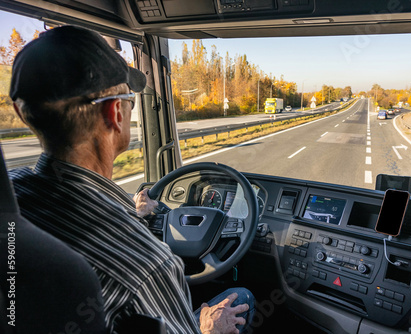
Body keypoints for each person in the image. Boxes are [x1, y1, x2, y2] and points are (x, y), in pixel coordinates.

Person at [8, 25, 254, 334]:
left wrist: (135, 216)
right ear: (116, 114)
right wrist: (208, 328)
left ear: (21, 113)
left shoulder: (10, 194)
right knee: (241, 299)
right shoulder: (146, 266)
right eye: (130, 100)